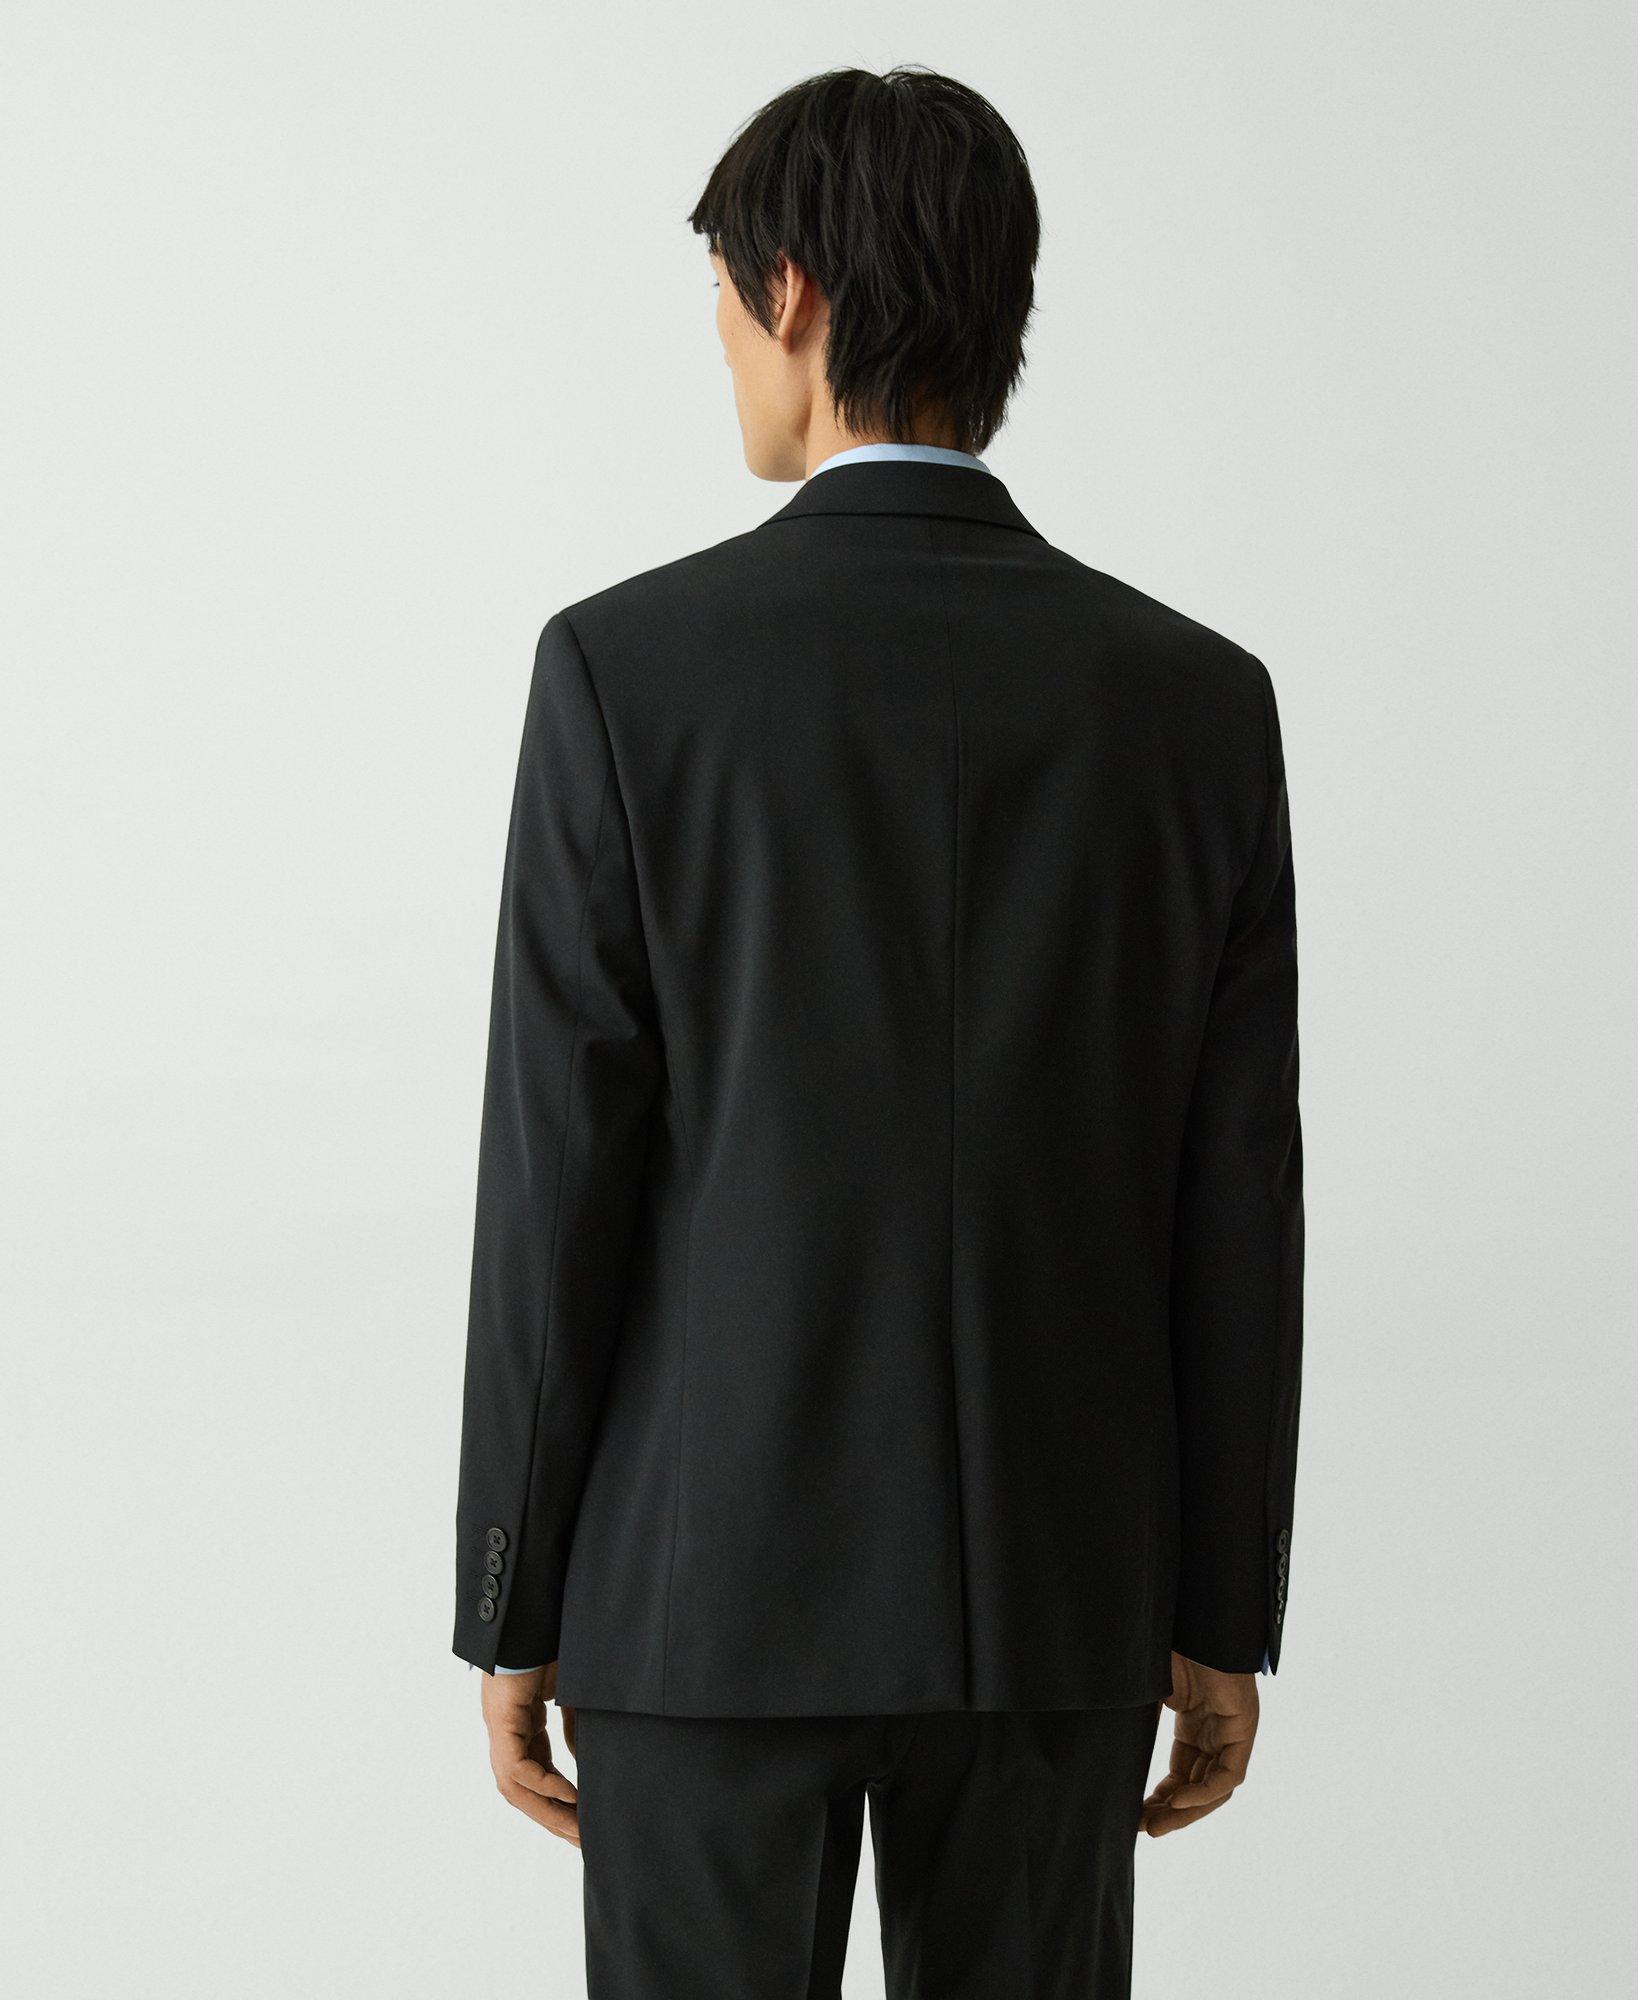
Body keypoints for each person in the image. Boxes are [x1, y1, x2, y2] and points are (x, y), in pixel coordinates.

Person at [451, 64, 1304, 1999]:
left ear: (797, 291)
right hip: (1059, 1605)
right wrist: (1219, 1606)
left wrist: (512, 1586)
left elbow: (560, 1177)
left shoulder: (624, 674)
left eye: (722, 293)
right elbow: (1235, 1201)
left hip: (696, 1607)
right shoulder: (1196, 704)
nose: (720, 342)